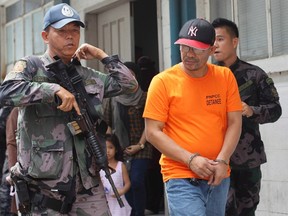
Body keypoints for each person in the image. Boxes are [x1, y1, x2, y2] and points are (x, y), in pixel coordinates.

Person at [0, 3, 137, 216]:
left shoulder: (85, 76)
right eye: (62, 31)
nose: (70, 37)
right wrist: (51, 90)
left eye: (74, 30)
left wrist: (102, 55)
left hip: (87, 184)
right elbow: (6, 91)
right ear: (46, 36)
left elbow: (129, 85)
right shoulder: (31, 66)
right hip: (45, 186)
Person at [143, 18, 243, 216]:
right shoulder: (162, 81)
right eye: (184, 47)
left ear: (211, 49)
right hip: (180, 174)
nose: (188, 54)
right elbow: (152, 132)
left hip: (218, 174)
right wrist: (191, 160)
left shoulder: (225, 77)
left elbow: (234, 122)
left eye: (196, 49)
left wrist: (223, 161)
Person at [212, 17, 282, 216]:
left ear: (234, 42)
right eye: (212, 41)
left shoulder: (254, 75)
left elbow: (275, 110)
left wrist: (251, 111)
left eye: (220, 39)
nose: (215, 45)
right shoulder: (206, 76)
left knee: (245, 211)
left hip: (245, 160)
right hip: (213, 159)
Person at [104, 61, 153, 216]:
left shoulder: (145, 97)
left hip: (142, 146)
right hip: (120, 148)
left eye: (130, 74)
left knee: (137, 180)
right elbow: (108, 124)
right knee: (126, 182)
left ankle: (138, 213)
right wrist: (110, 147)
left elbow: (150, 123)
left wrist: (140, 145)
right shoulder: (113, 99)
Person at [100, 133, 132, 216]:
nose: (107, 151)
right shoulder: (98, 168)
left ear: (116, 149)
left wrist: (122, 191)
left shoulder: (120, 165)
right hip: (104, 202)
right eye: (104, 148)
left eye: (110, 147)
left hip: (118, 202)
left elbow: (128, 183)